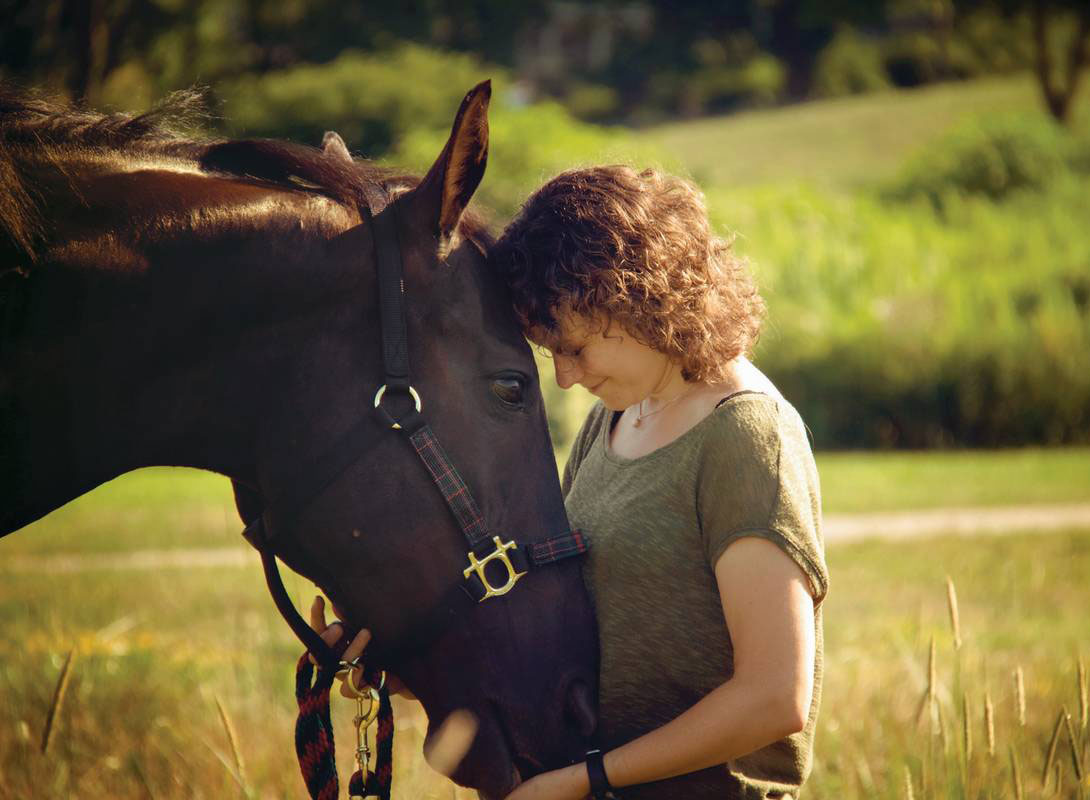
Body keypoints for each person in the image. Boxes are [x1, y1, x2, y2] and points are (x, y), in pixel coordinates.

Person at [314, 165, 828, 800]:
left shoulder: (748, 435)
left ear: (638, 296)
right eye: (548, 352)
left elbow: (775, 697)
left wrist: (584, 781)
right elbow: (591, 634)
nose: (561, 378)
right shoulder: (613, 417)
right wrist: (399, 662)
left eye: (575, 348)